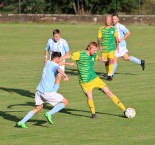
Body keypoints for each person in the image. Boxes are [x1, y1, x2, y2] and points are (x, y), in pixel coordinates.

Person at [63, 41, 127, 119]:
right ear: (89, 48)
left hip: (95, 79)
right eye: (94, 50)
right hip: (85, 82)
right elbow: (68, 56)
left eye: (96, 50)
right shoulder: (80, 54)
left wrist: (105, 60)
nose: (95, 52)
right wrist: (58, 60)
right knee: (89, 97)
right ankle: (93, 114)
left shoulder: (94, 55)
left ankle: (124, 110)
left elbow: (99, 58)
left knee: (109, 92)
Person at [17, 52, 69, 128]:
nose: (60, 61)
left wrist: (66, 63)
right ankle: (49, 113)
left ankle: (21, 122)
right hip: (47, 92)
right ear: (57, 58)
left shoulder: (48, 62)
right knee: (65, 102)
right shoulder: (55, 66)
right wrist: (65, 75)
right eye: (59, 59)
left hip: (38, 91)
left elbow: (47, 60)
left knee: (38, 108)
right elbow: (58, 68)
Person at [97, 15, 119, 81]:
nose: (108, 21)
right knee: (106, 62)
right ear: (105, 20)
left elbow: (116, 38)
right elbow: (98, 38)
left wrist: (117, 46)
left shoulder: (113, 29)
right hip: (104, 48)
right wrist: (99, 46)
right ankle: (108, 74)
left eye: (109, 20)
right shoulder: (101, 29)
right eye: (107, 20)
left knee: (111, 60)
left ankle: (110, 75)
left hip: (111, 48)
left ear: (111, 21)